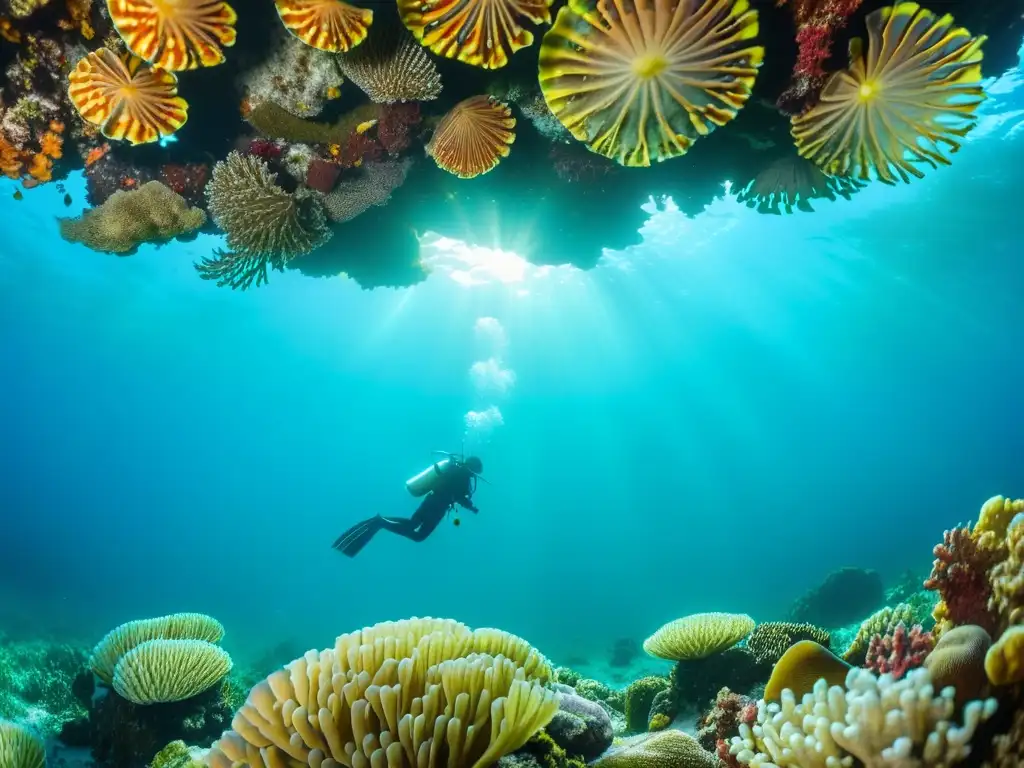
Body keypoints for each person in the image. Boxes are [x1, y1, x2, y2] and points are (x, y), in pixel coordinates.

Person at [332, 456, 482, 557]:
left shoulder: (454, 470)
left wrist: (467, 503)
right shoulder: (462, 476)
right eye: (475, 472)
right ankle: (381, 522)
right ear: (472, 468)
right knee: (419, 535)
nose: (475, 475)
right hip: (438, 507)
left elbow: (455, 492)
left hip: (431, 500)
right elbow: (460, 496)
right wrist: (471, 507)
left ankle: (381, 520)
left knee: (412, 524)